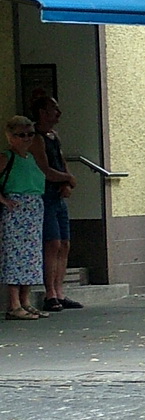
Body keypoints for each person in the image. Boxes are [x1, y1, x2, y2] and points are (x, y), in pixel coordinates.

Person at [27, 97, 80, 311]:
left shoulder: (54, 136)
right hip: (45, 195)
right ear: (42, 112)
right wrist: (66, 179)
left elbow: (61, 162)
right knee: (52, 243)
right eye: (53, 108)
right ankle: (50, 293)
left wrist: (67, 180)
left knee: (64, 244)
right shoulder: (37, 138)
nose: (58, 112)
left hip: (58, 195)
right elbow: (44, 169)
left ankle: (60, 291)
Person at [2, 116, 48, 320]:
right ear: (10, 136)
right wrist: (4, 200)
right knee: (15, 255)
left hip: (34, 209)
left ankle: (25, 301)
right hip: (16, 210)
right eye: (22, 135)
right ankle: (13, 304)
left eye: (31, 134)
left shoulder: (31, 158)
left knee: (31, 256)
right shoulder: (5, 157)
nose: (27, 138)